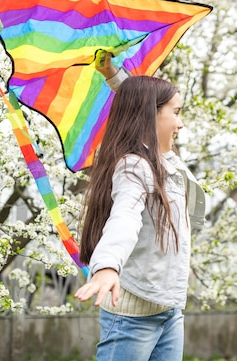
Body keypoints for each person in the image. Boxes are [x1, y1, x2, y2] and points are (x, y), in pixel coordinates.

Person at [75, 51, 206, 361]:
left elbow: (136, 100)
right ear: (151, 115)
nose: (181, 123)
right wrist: (107, 266)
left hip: (169, 310)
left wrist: (112, 75)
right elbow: (124, 218)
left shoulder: (163, 160)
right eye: (176, 112)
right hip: (132, 317)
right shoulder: (135, 167)